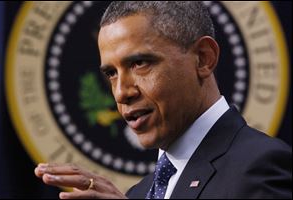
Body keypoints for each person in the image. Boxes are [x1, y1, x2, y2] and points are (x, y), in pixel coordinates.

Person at [34, 1, 292, 199]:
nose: (122, 92)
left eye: (139, 63)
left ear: (203, 58)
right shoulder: (139, 193)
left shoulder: (261, 166)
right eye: (111, 73)